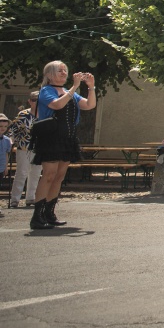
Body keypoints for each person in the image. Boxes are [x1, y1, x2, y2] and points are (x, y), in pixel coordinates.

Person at [30, 61, 97, 229]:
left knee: (59, 177)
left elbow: (90, 105)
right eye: (59, 71)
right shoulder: (46, 91)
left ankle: (49, 213)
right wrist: (75, 86)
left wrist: (91, 87)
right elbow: (57, 104)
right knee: (49, 175)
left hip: (67, 138)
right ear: (49, 74)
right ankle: (36, 216)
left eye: (65, 70)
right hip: (51, 138)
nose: (63, 73)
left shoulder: (69, 92)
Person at [8, 91, 41, 209]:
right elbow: (13, 129)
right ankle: (15, 199)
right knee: (21, 173)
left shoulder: (44, 114)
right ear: (30, 101)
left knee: (36, 173)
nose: (36, 103)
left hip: (39, 148)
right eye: (34, 100)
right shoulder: (23, 114)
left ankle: (31, 197)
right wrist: (13, 141)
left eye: (38, 101)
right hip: (24, 147)